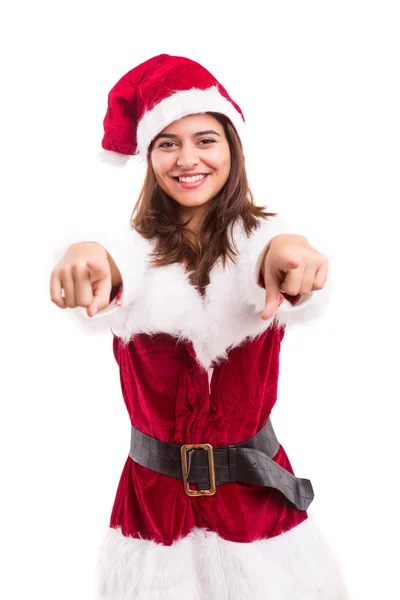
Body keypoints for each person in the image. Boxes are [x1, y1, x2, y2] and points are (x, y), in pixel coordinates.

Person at [50, 54, 349, 599]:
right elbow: (116, 258)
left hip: (257, 511)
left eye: (205, 139)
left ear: (232, 147)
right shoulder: (132, 250)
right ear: (149, 157)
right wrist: (84, 255)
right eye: (168, 143)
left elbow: (273, 249)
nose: (188, 158)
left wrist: (293, 253)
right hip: (154, 513)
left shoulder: (264, 244)